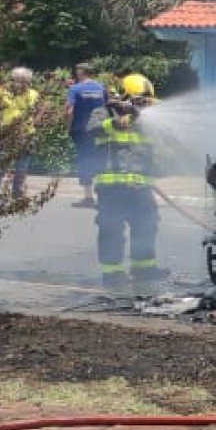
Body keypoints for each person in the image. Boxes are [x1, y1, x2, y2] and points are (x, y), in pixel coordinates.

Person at [87, 73, 162, 291]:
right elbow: (93, 129)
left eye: (145, 101)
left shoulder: (147, 118)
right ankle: (113, 274)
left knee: (146, 226)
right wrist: (117, 123)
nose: (143, 106)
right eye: (138, 101)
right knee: (111, 228)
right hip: (111, 187)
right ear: (124, 96)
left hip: (141, 186)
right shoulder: (102, 112)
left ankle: (144, 270)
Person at [0, 67, 40, 199]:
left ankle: (17, 193)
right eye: (17, 80)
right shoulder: (2, 92)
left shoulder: (33, 94)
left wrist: (33, 123)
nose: (20, 83)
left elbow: (38, 111)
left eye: (24, 81)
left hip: (26, 134)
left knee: (22, 167)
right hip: (6, 133)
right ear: (12, 80)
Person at [66, 63, 109, 208]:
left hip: (81, 131)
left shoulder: (75, 89)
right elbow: (108, 106)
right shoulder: (101, 88)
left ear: (81, 72)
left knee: (85, 161)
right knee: (100, 160)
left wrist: (67, 128)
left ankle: (88, 197)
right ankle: (104, 197)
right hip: (100, 129)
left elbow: (70, 111)